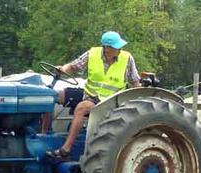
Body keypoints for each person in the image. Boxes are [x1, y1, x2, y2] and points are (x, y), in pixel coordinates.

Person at [47, 31, 141, 159]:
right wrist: (63, 69)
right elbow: (74, 66)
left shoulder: (127, 58)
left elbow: (135, 81)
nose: (120, 49)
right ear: (106, 48)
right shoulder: (93, 53)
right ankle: (44, 134)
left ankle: (66, 149)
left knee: (81, 108)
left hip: (112, 102)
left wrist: (140, 99)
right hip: (90, 95)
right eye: (117, 47)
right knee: (51, 96)